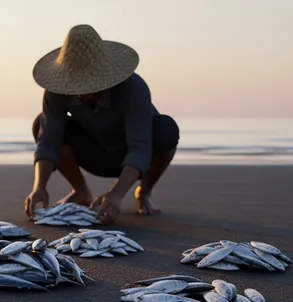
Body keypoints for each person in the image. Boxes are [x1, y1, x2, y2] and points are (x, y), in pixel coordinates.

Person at [23, 24, 180, 225]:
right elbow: (48, 141)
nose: (78, 93)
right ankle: (81, 192)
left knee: (166, 130)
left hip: (137, 159)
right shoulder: (56, 91)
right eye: (74, 85)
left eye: (86, 85)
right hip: (94, 154)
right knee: (40, 124)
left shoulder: (133, 88)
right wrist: (39, 186)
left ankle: (144, 192)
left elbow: (140, 147)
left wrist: (117, 194)